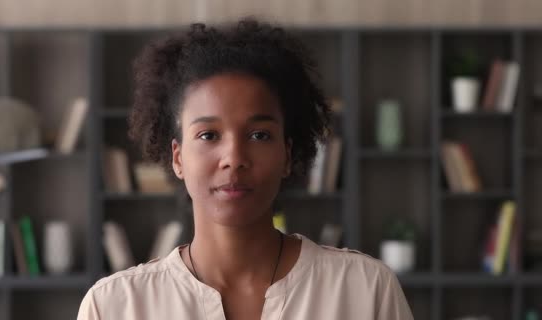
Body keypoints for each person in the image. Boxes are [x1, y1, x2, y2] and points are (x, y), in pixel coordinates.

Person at [77, 18, 413, 320]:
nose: (234, 157)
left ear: (287, 153)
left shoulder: (365, 291)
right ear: (178, 158)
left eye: (259, 135)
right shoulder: (114, 307)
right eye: (208, 135)